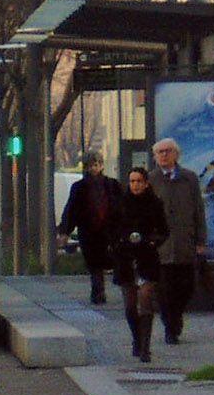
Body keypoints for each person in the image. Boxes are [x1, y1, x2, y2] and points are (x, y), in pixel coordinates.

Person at [148, 137, 208, 344]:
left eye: (168, 151)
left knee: (186, 287)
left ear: (176, 154)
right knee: (164, 290)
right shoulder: (151, 179)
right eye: (160, 152)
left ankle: (177, 316)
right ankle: (170, 327)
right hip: (161, 247)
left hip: (185, 243)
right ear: (155, 156)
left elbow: (198, 210)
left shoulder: (189, 178)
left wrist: (201, 240)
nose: (164, 155)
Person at [111, 166, 169, 362]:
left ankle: (145, 346)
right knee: (129, 306)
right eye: (132, 181)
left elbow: (164, 230)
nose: (135, 185)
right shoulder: (120, 203)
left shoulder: (154, 203)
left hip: (147, 258)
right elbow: (111, 229)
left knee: (145, 300)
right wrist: (117, 243)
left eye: (139, 181)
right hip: (126, 259)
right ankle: (136, 338)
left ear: (146, 184)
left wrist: (152, 242)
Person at [57, 151, 122, 304]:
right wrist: (65, 231)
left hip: (109, 230)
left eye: (96, 165)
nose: (93, 168)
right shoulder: (79, 187)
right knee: (94, 264)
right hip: (89, 231)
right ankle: (98, 292)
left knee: (110, 259)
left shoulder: (112, 185)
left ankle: (111, 285)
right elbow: (71, 209)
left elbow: (121, 207)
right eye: (90, 166)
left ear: (101, 166)